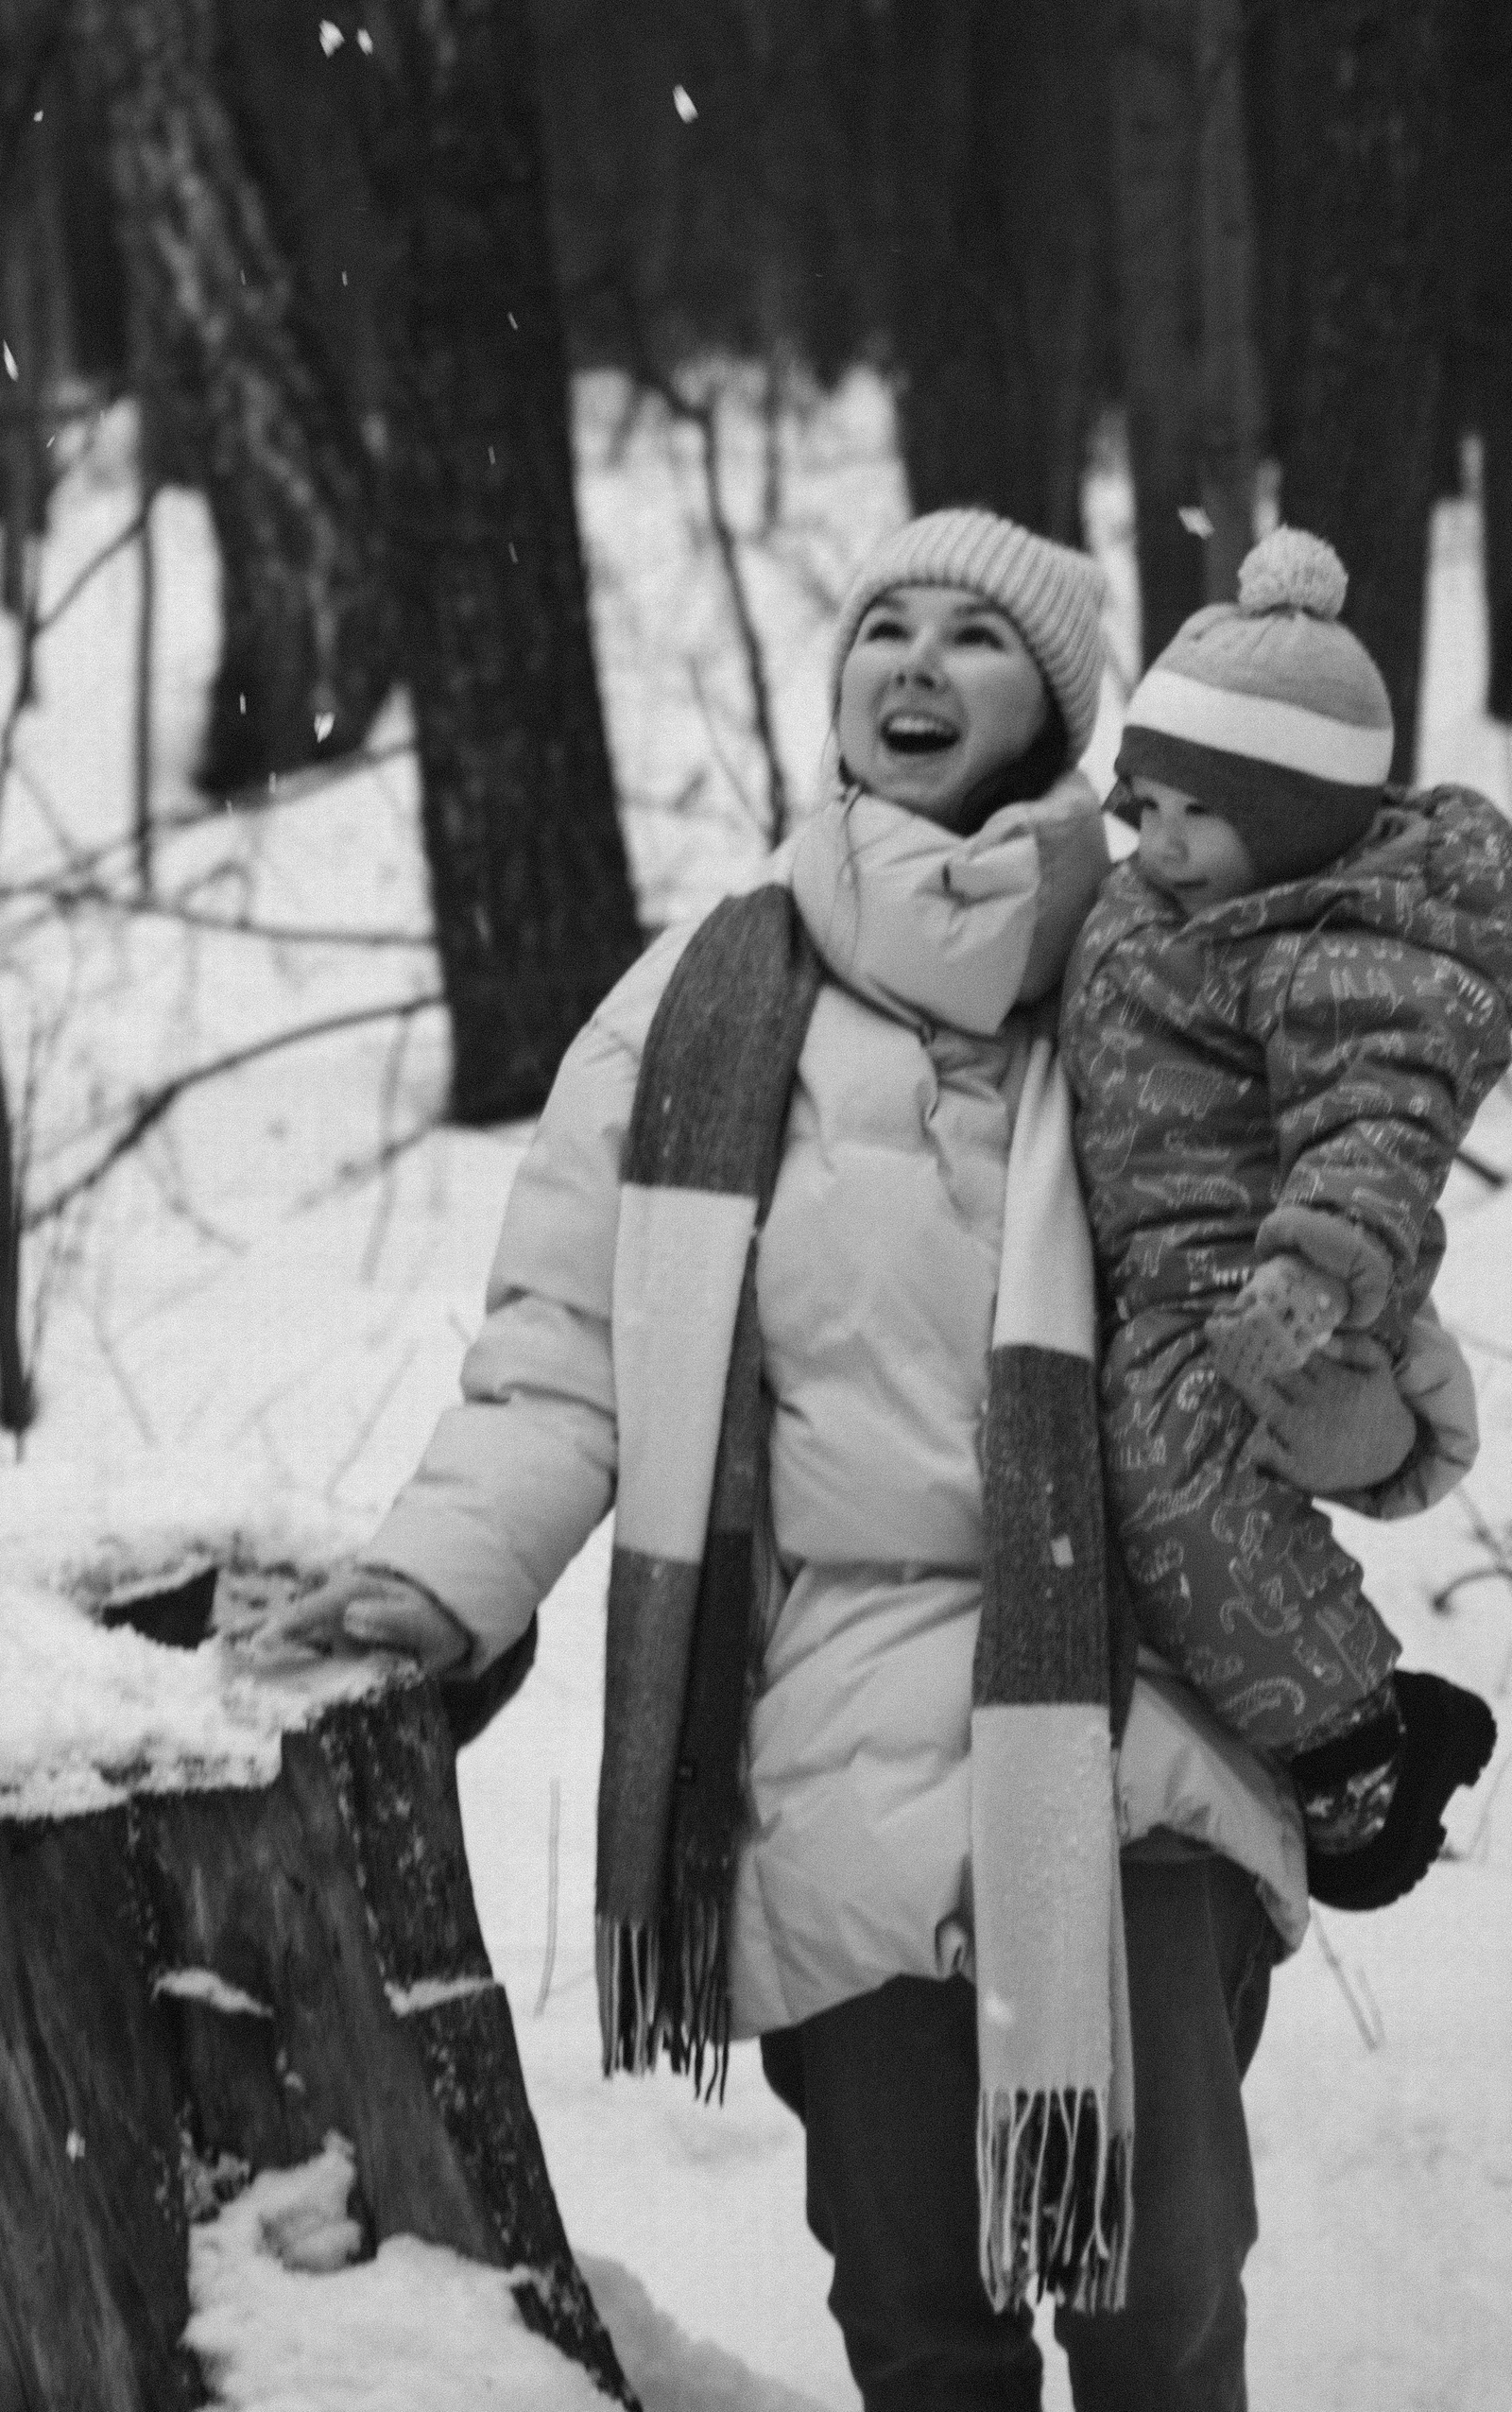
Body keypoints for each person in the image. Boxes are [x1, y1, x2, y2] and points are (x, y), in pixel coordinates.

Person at [279, 508, 1345, 2412]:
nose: (915, 666)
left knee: (1159, 2294)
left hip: (1133, 1705)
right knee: (915, 2310)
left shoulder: (1164, 973)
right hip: (823, 1723)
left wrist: (1342, 1384)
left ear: (1059, 713)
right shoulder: (698, 1001)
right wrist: (443, 1578)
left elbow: (1287, 1303)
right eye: (882, 628)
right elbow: (560, 1349)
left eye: (974, 640)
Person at [1062, 526, 1500, 1912]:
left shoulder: (1335, 949)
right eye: (1152, 805)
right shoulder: (1173, 900)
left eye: (1207, 813)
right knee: (1168, 1501)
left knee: (1186, 1497)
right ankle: (1339, 1726)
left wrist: (1317, 1266)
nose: (1166, 842)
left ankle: (1361, 1733)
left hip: (1245, 1292)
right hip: (1162, 1277)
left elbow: (1382, 1121)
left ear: (1301, 821)